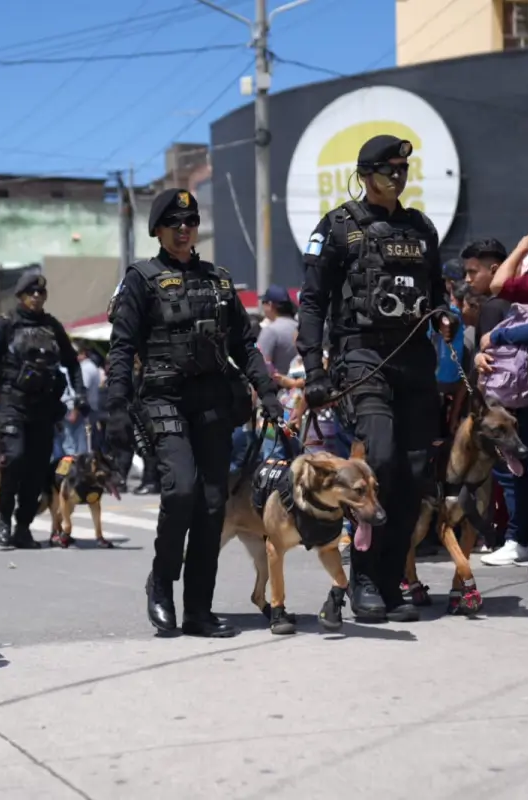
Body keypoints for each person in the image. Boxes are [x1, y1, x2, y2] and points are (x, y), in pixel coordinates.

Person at [104, 188, 281, 637]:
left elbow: (244, 345)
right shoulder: (141, 280)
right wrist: (117, 410)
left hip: (212, 401)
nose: (184, 231)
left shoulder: (219, 281)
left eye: (191, 223)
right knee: (181, 491)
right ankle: (161, 582)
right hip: (163, 398)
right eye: (174, 224)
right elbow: (122, 348)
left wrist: (270, 395)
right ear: (158, 230)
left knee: (211, 504)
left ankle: (198, 609)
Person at [297, 134, 454, 623]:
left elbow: (435, 288)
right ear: (365, 176)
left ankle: (390, 584)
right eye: (389, 171)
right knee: (379, 461)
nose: (399, 178)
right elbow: (312, 301)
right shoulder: (339, 227)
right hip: (361, 357)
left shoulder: (421, 227)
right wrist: (315, 370)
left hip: (415, 361)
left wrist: (443, 313)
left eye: (404, 171)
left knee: (411, 475)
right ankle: (362, 578)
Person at [0, 272, 88, 549]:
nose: (36, 296)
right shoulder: (5, 325)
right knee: (14, 459)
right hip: (12, 405)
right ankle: (3, 519)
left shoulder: (52, 326)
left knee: (36, 470)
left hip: (44, 408)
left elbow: (72, 363)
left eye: (41, 293)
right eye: (31, 292)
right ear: (21, 296)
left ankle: (23, 527)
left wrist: (80, 393)